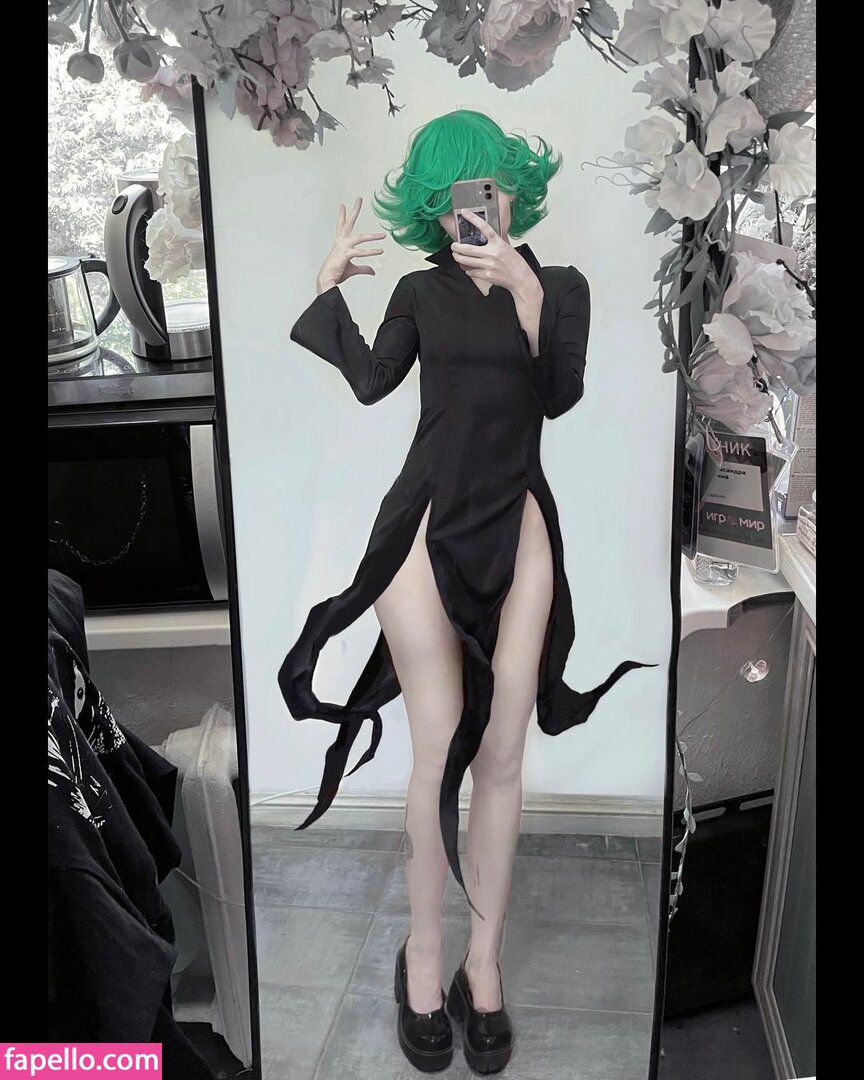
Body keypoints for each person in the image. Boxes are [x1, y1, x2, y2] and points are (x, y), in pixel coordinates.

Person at [279, 109, 653, 1074]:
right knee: (440, 742)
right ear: (432, 208)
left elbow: (558, 393)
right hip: (423, 527)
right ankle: (424, 956)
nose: (470, 211)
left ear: (511, 189)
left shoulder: (560, 288)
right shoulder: (418, 290)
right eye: (452, 197)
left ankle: (482, 966)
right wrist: (327, 291)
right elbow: (372, 383)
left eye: (485, 187)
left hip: (517, 526)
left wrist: (524, 288)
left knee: (503, 755)